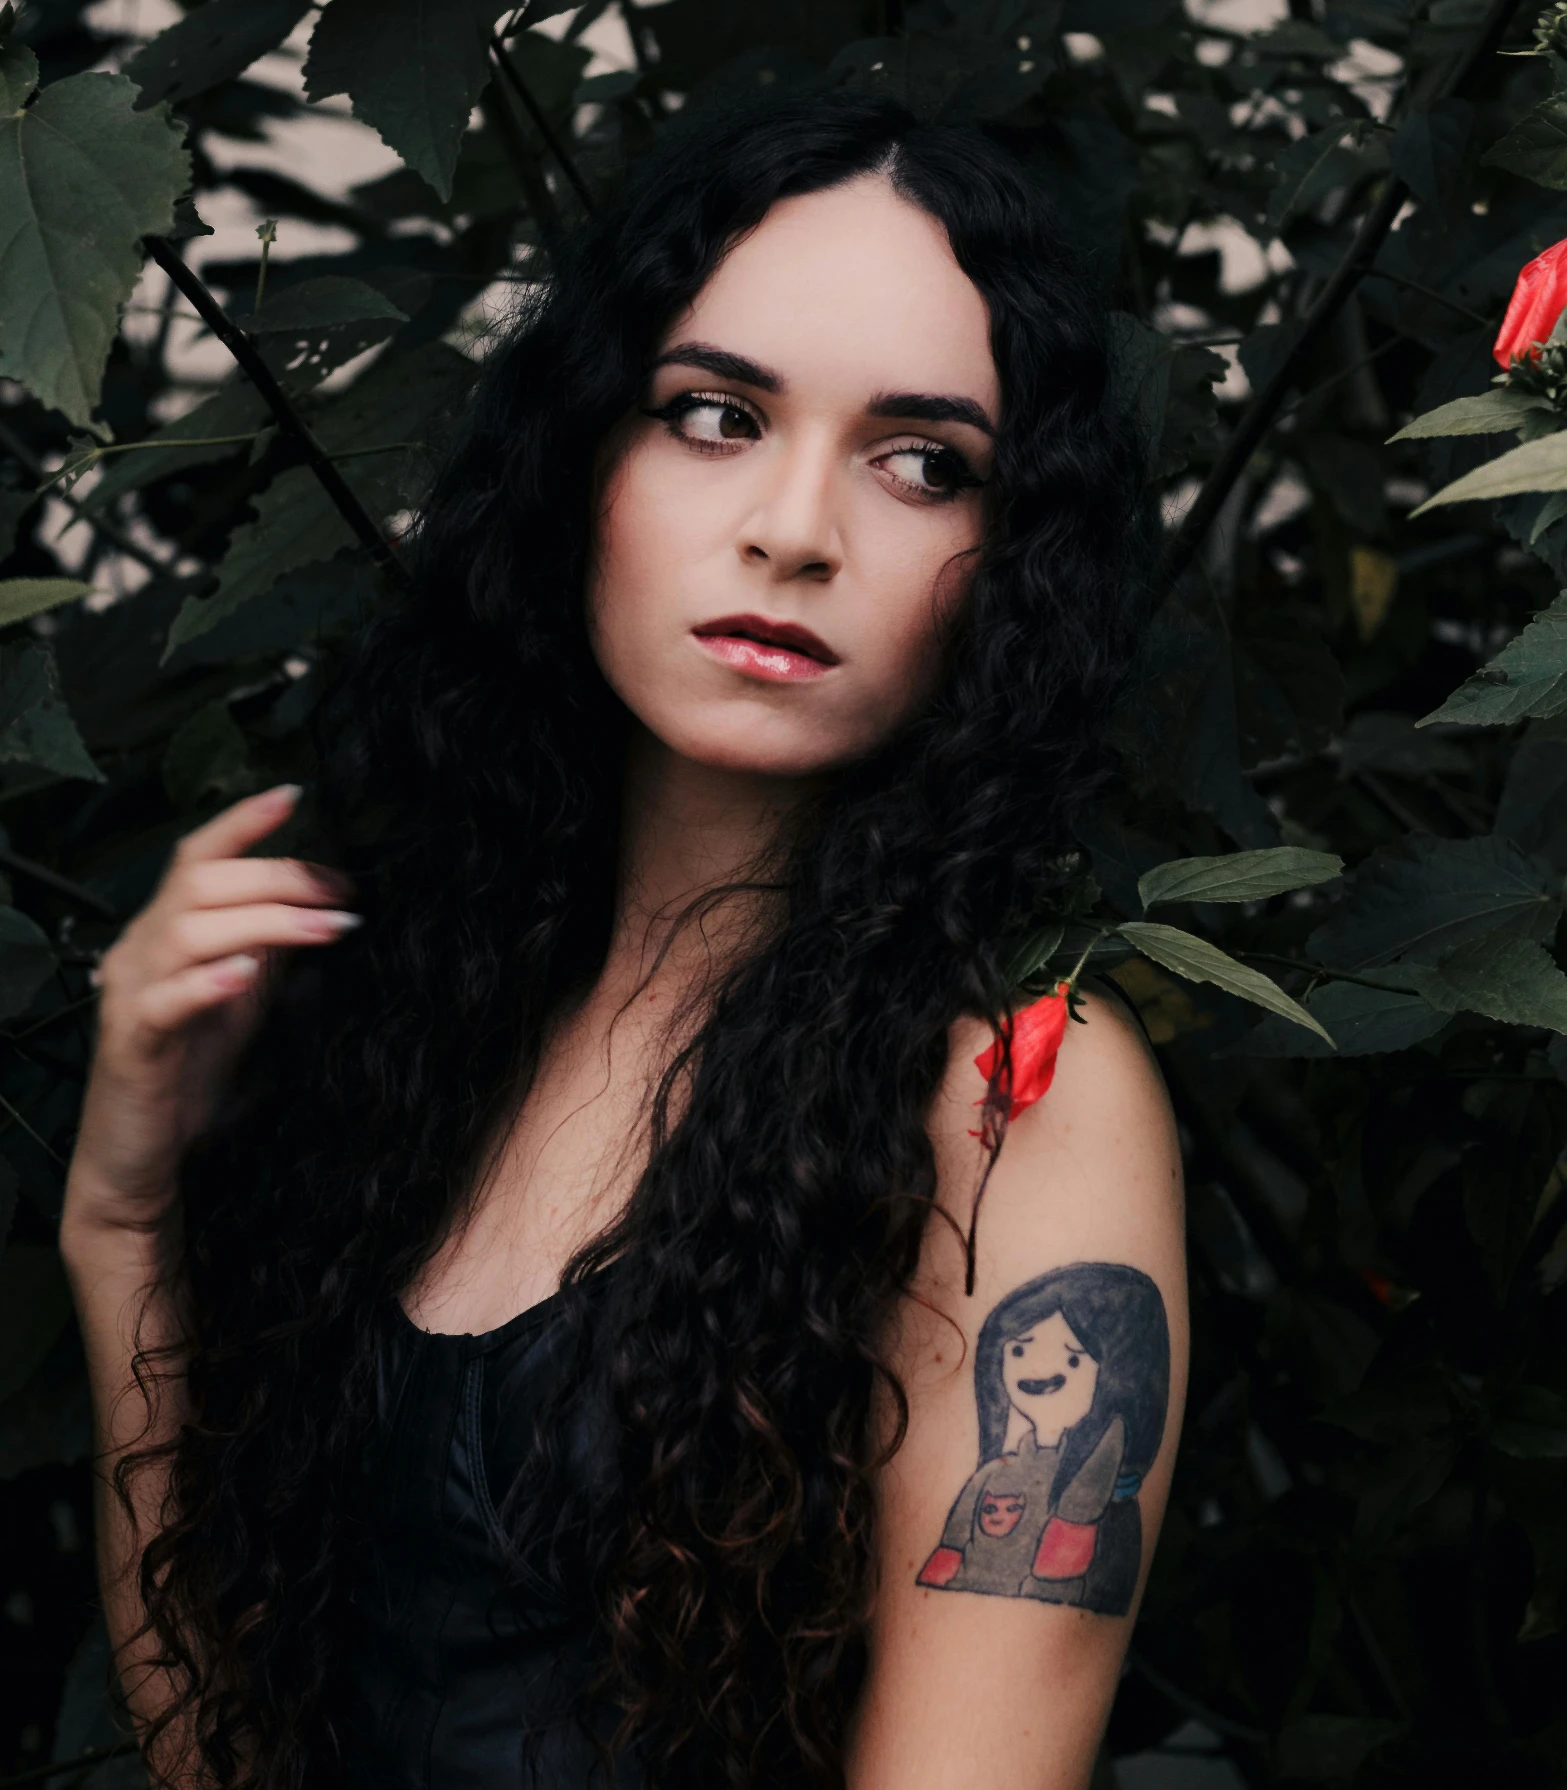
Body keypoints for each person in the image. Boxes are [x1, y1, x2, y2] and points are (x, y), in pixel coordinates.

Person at [60, 96, 1188, 1790]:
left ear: (1009, 560)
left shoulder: (1021, 1097)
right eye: (714, 414)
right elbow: (215, 1747)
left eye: (921, 460)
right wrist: (122, 1213)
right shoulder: (420, 1018)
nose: (796, 527)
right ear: (584, 457)